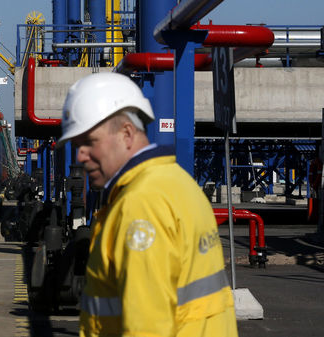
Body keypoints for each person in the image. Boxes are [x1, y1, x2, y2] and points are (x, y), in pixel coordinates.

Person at [58, 72, 237, 337]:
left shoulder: (140, 204)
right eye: (77, 144)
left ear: (126, 133)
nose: (80, 154)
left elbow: (147, 326)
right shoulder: (176, 182)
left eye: (89, 142)